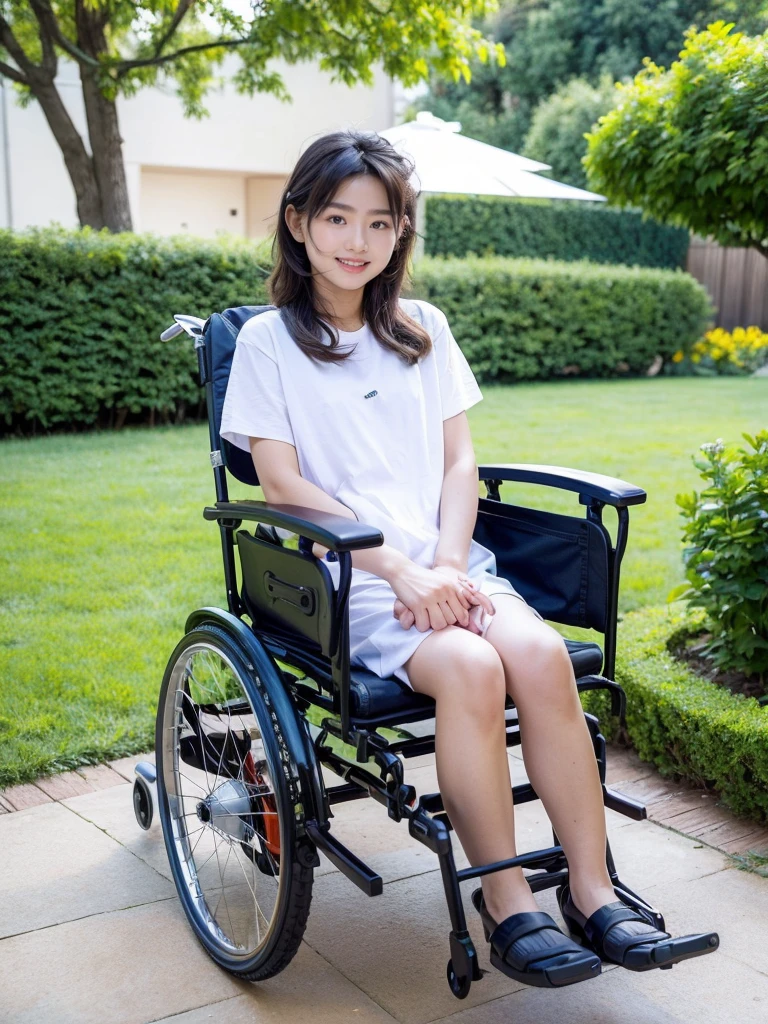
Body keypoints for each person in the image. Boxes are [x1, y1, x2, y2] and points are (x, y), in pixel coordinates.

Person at [220, 129, 716, 989]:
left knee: (539, 655)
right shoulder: (269, 342)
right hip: (352, 580)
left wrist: (446, 563)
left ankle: (592, 891)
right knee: (474, 673)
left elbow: (460, 465)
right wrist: (401, 571)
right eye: (337, 218)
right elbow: (281, 482)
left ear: (400, 234)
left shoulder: (423, 329)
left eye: (380, 224)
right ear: (298, 223)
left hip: (451, 565)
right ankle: (509, 901)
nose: (356, 241)